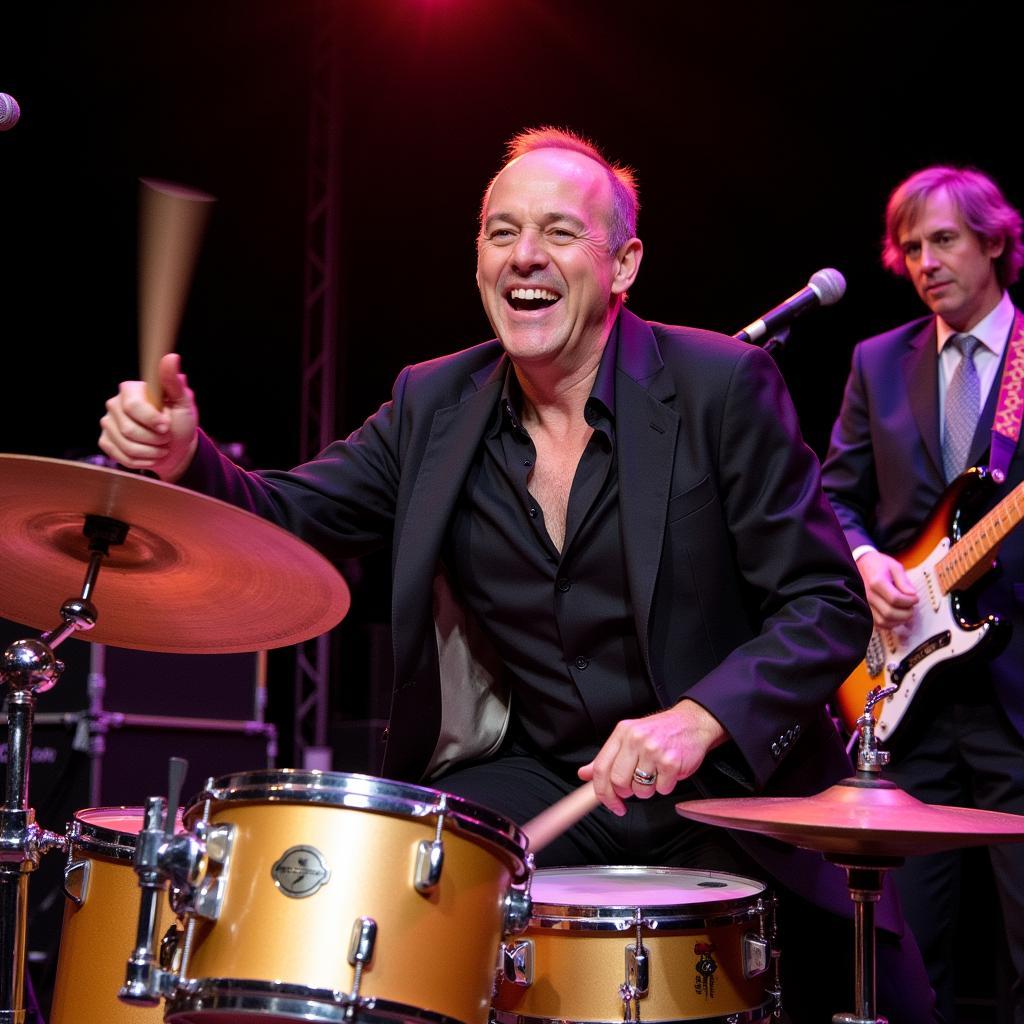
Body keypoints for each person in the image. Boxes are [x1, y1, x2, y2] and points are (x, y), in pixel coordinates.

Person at [100, 127, 933, 1022]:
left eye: (559, 233)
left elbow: (826, 603)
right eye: (501, 232)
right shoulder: (432, 403)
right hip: (547, 776)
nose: (524, 256)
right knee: (400, 907)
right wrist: (188, 459)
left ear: (623, 266)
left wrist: (700, 719)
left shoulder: (720, 386)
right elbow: (291, 518)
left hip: (731, 792)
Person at [822, 165, 1024, 1024]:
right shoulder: (877, 361)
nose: (924, 261)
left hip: (1018, 695)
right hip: (908, 692)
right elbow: (833, 496)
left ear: (994, 242)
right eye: (910, 248)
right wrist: (868, 562)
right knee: (907, 960)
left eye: (944, 240)